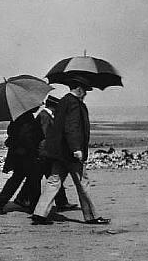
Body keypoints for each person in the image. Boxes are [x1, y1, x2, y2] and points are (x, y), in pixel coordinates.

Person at [30, 76, 110, 225]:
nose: (85, 94)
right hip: (70, 153)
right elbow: (72, 128)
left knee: (53, 181)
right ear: (79, 89)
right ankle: (91, 216)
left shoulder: (63, 102)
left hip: (59, 152)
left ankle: (39, 214)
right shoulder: (74, 104)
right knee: (82, 182)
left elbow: (60, 127)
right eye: (85, 91)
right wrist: (76, 149)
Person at [0, 108, 43, 214]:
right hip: (26, 154)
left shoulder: (18, 117)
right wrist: (35, 150)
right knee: (34, 178)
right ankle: (33, 206)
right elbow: (27, 137)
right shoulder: (27, 117)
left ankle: (1, 200)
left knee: (17, 178)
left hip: (18, 153)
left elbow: (12, 132)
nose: (39, 106)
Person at [34, 95, 76, 211]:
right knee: (52, 178)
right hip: (45, 152)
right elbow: (46, 134)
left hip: (44, 152)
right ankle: (60, 203)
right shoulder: (45, 116)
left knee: (50, 177)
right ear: (54, 106)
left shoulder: (45, 115)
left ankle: (60, 202)